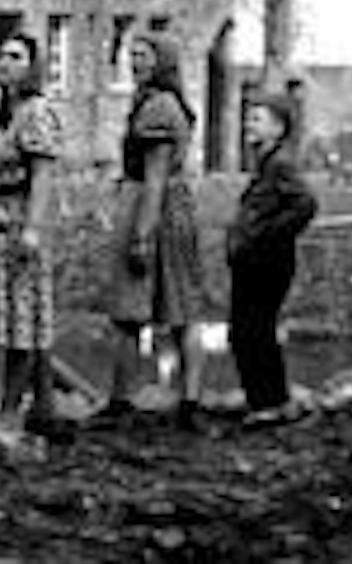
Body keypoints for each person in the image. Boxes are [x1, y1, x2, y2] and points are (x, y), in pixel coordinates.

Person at [101, 33, 211, 430]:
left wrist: (143, 232)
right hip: (150, 201)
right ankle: (126, 398)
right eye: (131, 56)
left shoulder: (160, 108)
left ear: (162, 61)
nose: (135, 63)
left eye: (144, 56)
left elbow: (156, 175)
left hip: (158, 208)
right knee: (138, 311)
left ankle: (185, 400)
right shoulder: (147, 103)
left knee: (172, 308)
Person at [0, 31, 66, 449]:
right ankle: (44, 409)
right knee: (13, 316)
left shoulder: (37, 112)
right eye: (1, 55)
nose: (4, 62)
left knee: (23, 319)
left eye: (16, 56)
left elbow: (42, 174)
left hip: (18, 221)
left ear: (32, 66)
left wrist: (34, 229)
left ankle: (10, 415)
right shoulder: (1, 112)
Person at [229, 91, 320, 427]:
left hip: (267, 262)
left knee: (251, 331)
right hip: (255, 260)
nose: (246, 125)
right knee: (251, 330)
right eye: (248, 118)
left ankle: (268, 403)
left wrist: (268, 235)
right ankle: (269, 400)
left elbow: (305, 204)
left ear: (278, 129)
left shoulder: (279, 164)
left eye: (256, 120)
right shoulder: (266, 164)